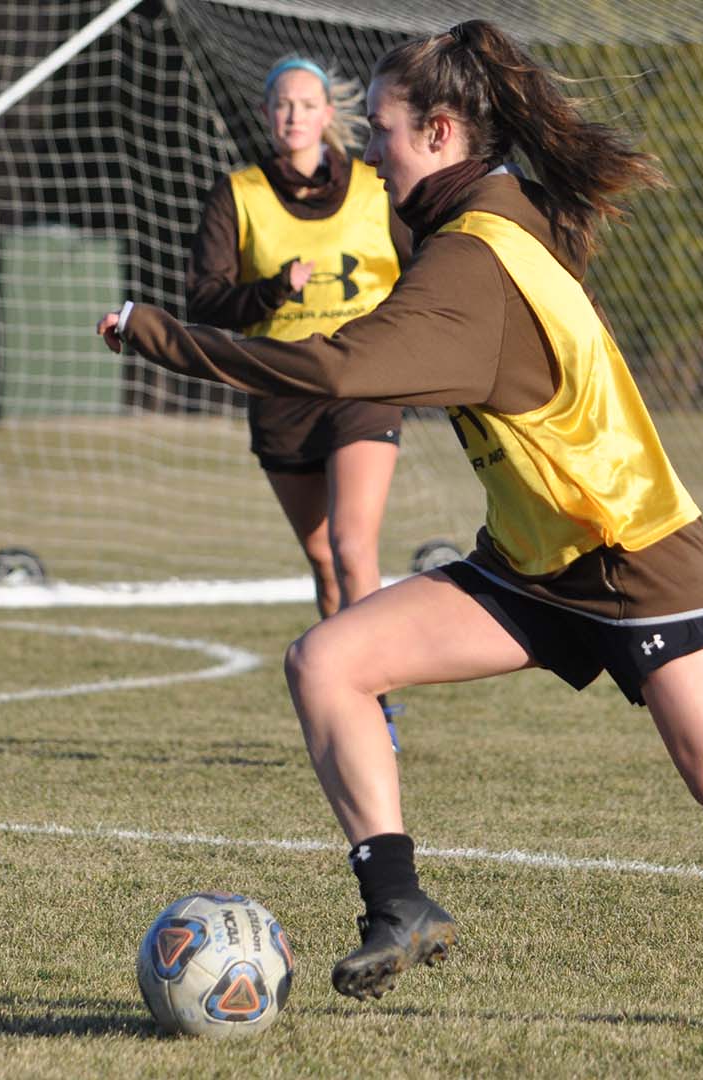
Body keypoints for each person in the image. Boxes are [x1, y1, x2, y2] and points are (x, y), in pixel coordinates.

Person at [98, 21, 703, 1043]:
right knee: (329, 661)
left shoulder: (472, 261)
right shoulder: (493, 209)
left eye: (384, 131)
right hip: (533, 561)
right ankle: (398, 904)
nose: (370, 151)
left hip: (631, 554)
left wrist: (161, 336)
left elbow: (338, 371)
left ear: (440, 131)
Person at [185, 55, 413, 748]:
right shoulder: (239, 193)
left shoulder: (377, 185)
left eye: (306, 104)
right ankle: (344, 692)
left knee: (353, 547)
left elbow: (427, 267)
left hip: (360, 382)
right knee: (322, 559)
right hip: (281, 388)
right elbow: (205, 298)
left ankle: (377, 708)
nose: (293, 115)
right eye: (281, 104)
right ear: (265, 115)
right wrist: (273, 290)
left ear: (327, 114)